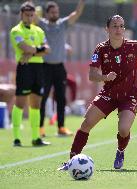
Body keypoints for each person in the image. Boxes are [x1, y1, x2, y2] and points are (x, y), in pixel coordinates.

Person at [58, 15, 137, 170]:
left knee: (124, 129)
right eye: (114, 26)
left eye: (121, 26)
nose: (118, 29)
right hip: (108, 93)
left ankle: (120, 151)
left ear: (124, 29)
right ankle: (72, 161)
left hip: (129, 96)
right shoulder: (100, 49)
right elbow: (92, 75)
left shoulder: (134, 46)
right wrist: (105, 77)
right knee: (86, 123)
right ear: (107, 29)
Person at [35, 0, 85, 137]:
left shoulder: (63, 24)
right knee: (43, 98)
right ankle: (40, 128)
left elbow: (76, 13)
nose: (55, 14)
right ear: (47, 13)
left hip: (59, 67)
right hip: (45, 67)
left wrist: (81, 2)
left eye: (56, 11)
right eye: (52, 12)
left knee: (61, 98)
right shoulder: (42, 24)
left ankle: (61, 127)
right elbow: (32, 14)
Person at [9, 1, 50, 146]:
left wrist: (31, 52)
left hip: (38, 69)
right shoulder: (16, 30)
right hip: (24, 68)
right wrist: (37, 50)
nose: (30, 17)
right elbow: (24, 47)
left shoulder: (39, 30)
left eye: (32, 15)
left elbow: (47, 49)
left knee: (36, 105)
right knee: (20, 103)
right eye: (27, 15)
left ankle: (35, 138)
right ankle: (16, 138)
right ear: (21, 14)